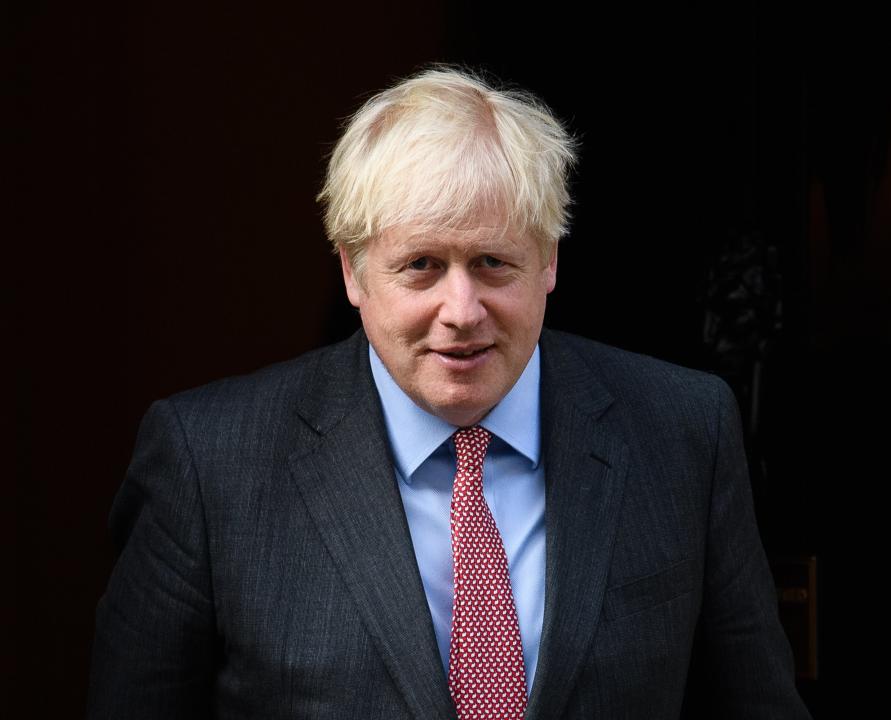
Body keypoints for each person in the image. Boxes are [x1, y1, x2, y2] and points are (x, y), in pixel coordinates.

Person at [88, 67, 812, 719]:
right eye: (422, 266)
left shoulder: (684, 432)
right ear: (353, 271)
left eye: (493, 262)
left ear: (549, 260)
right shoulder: (209, 462)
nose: (461, 309)